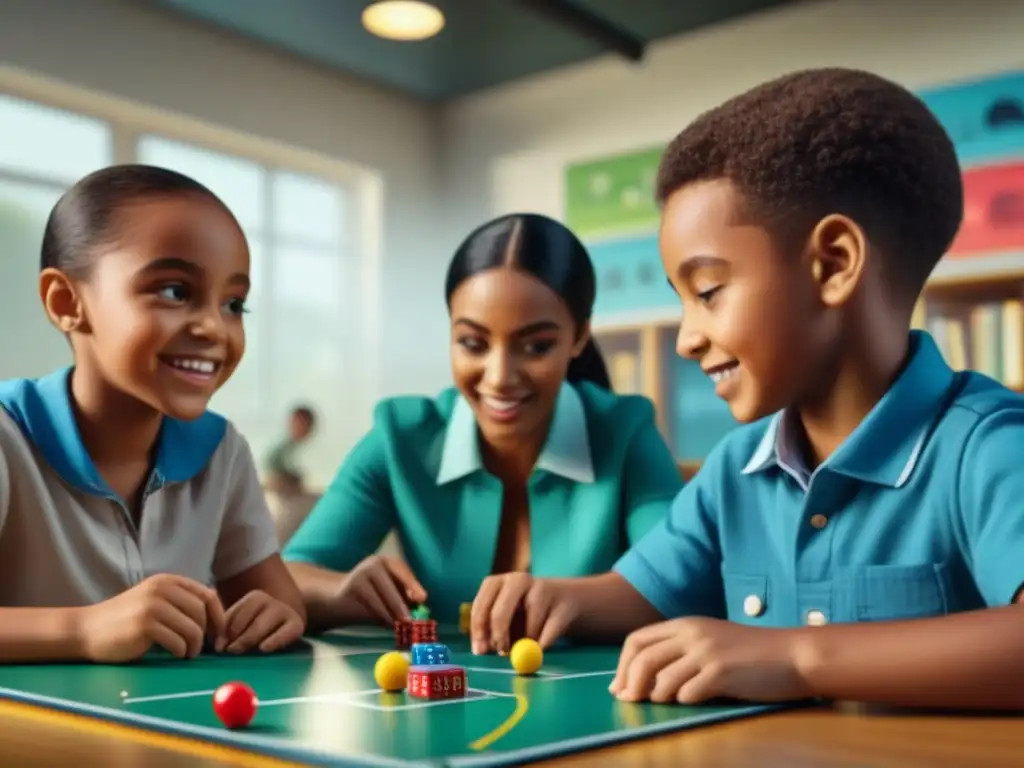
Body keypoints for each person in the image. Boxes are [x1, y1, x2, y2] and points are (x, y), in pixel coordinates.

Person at [470, 68, 1024, 711]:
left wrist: (795, 657)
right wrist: (553, 596)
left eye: (707, 293)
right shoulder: (738, 466)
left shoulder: (989, 446)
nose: (686, 339)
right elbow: (642, 592)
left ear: (834, 263)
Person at [282, 213, 683, 639]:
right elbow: (289, 578)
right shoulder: (399, 436)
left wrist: (566, 601)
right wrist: (339, 592)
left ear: (580, 336)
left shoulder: (627, 430)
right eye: (473, 343)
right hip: (439, 698)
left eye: (537, 346)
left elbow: (681, 579)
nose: (499, 377)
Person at [0, 164, 306, 664]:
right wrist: (83, 629)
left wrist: (274, 613)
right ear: (65, 302)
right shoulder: (7, 436)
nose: (213, 326)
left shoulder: (222, 450)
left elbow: (275, 593)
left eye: (234, 304)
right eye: (175, 291)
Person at [263, 405, 316, 494]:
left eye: (305, 424)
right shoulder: (279, 449)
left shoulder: (299, 448)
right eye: (298, 423)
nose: (300, 427)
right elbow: (270, 476)